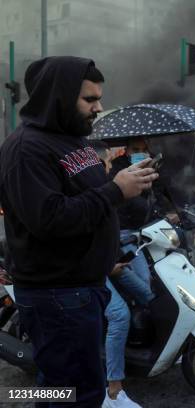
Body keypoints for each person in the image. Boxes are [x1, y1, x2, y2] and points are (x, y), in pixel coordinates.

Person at [0, 56, 158, 407]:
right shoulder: (26, 149)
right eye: (89, 99)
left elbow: (94, 200)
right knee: (67, 395)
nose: (98, 107)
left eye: (99, 97)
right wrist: (115, 190)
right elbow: (50, 219)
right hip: (57, 295)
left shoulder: (75, 142)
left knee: (81, 387)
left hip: (85, 289)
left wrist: (132, 188)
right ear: (58, 96)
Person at [92, 140, 152, 408]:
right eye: (104, 161)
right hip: (94, 268)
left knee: (148, 294)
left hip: (113, 259)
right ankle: (113, 388)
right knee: (119, 315)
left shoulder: (109, 189)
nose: (108, 164)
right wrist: (106, 266)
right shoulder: (93, 195)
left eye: (107, 160)